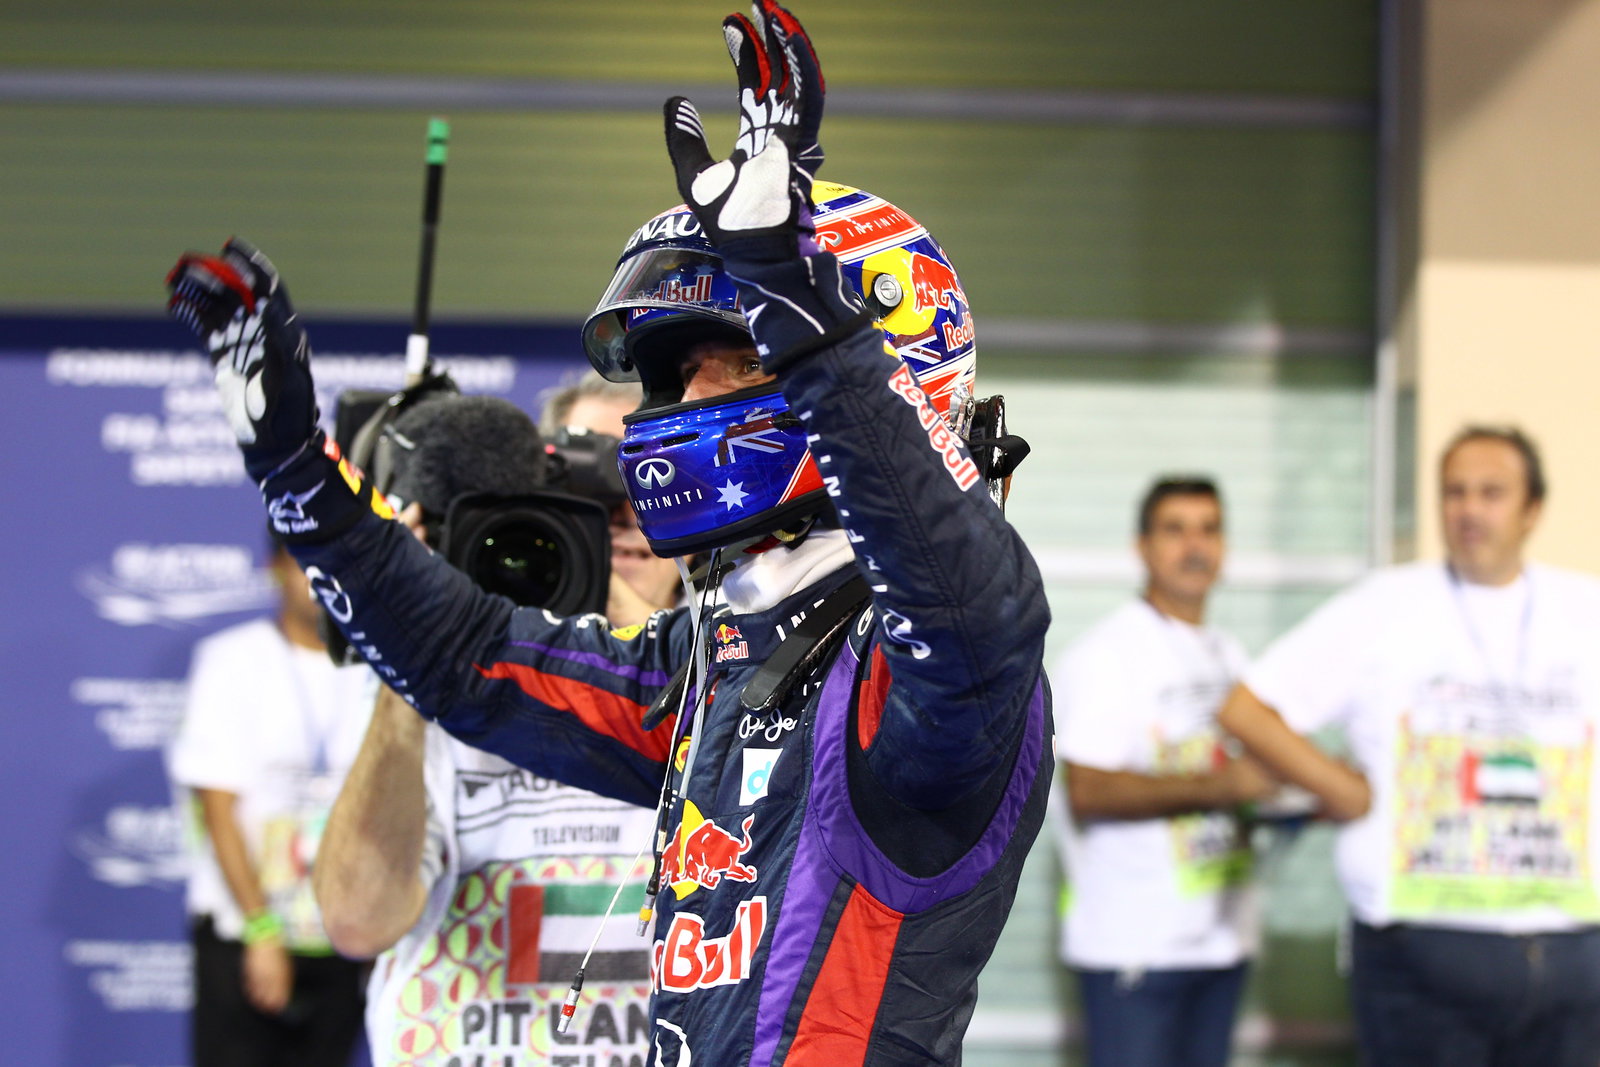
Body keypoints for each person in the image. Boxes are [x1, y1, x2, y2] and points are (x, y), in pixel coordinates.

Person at [162, 3, 1052, 1064]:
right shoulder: (722, 656)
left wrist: (796, 301)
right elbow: (469, 657)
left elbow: (971, 608)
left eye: (725, 354)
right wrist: (303, 477)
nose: (675, 400)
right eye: (667, 371)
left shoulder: (922, 672)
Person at [1217, 426, 1600, 1066]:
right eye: (1454, 492)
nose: (1469, 509)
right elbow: (1246, 710)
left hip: (1570, 957)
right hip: (1424, 960)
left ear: (1533, 509)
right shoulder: (1388, 605)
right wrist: (1337, 787)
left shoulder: (1584, 610)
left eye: (1491, 493)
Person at [314, 390, 665, 1067]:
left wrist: (619, 610)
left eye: (632, 492)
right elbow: (358, 918)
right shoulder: (434, 688)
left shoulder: (732, 687)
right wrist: (411, 640)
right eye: (577, 498)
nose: (611, 518)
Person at [1053, 477, 1273, 1067]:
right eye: (1175, 530)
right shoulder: (1107, 656)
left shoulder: (1230, 655)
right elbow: (1089, 790)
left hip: (1221, 941)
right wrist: (1223, 787)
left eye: (1209, 529)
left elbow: (1252, 773)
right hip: (1137, 947)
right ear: (1143, 546)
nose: (1194, 546)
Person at [168, 531, 375, 1067]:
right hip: (246, 934)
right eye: (302, 564)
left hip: (343, 939)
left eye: (332, 564)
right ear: (275, 569)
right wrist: (262, 931)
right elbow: (217, 810)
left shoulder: (379, 669)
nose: (317, 582)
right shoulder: (232, 661)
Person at [539, 370, 684, 629]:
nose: (627, 512)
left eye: (650, 474)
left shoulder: (752, 628)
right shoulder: (503, 629)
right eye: (588, 473)